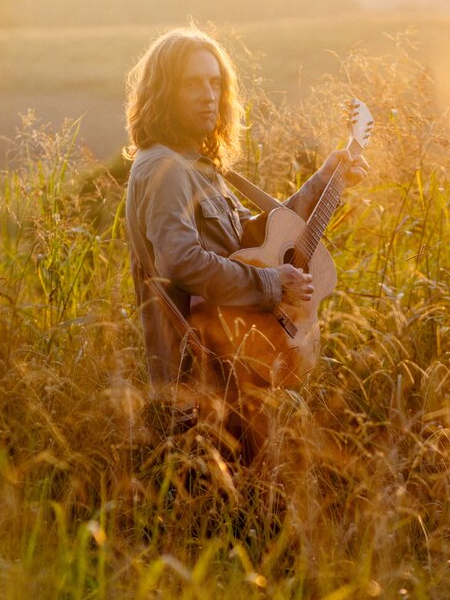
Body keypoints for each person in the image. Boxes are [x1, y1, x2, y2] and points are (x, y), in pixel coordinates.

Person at [123, 26, 367, 458]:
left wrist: (328, 178)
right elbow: (182, 263)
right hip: (198, 384)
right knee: (218, 516)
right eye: (192, 83)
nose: (208, 95)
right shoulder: (165, 170)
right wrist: (274, 284)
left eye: (214, 82)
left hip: (234, 373)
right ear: (164, 91)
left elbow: (255, 240)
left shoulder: (199, 166)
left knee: (253, 510)